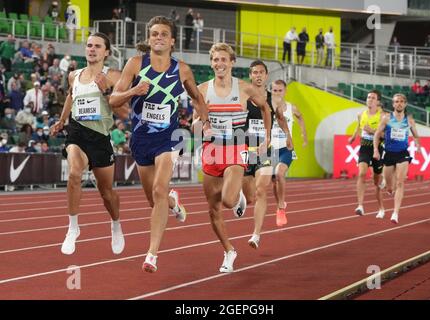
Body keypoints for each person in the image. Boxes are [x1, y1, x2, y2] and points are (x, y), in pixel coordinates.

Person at [109, 16, 210, 273]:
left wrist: (204, 119)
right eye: (154, 34)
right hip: (142, 138)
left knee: (158, 189)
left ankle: (152, 254)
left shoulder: (182, 69)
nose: (158, 37)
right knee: (156, 200)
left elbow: (198, 98)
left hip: (169, 136)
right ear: (149, 38)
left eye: (163, 34)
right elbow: (113, 100)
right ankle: (173, 202)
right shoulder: (135, 64)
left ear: (172, 40)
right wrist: (133, 92)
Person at [194, 43, 272, 272]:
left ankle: (237, 197)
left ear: (232, 62)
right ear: (211, 62)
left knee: (228, 200)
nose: (219, 64)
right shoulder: (201, 89)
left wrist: (266, 138)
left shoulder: (245, 88)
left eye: (223, 60)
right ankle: (229, 251)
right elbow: (193, 124)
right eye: (215, 60)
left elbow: (266, 109)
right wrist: (201, 125)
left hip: (237, 149)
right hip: (211, 151)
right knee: (213, 209)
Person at [50, 32, 129, 255]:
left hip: (101, 137)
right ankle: (73, 227)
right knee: (75, 173)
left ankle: (115, 225)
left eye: (97, 46)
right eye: (89, 45)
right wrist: (62, 119)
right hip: (77, 133)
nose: (91, 49)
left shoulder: (113, 75)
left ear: (106, 52)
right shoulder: (74, 75)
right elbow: (70, 96)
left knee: (107, 194)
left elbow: (124, 112)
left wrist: (106, 90)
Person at [242, 61, 291, 249]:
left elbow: (280, 118)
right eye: (255, 72)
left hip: (265, 149)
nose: (258, 75)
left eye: (261, 72)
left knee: (262, 189)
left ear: (266, 75)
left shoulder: (273, 99)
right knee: (250, 196)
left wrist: (287, 136)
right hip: (245, 148)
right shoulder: (242, 96)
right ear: (250, 75)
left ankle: (256, 234)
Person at [373, 93, 420, 224]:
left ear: (405, 104)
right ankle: (388, 187)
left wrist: (417, 144)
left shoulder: (409, 120)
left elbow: (416, 135)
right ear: (393, 104)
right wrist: (376, 150)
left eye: (401, 101)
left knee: (400, 182)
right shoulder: (386, 118)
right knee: (390, 187)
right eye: (396, 101)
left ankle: (395, 213)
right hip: (388, 153)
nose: (399, 103)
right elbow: (377, 134)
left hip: (402, 153)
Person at [270, 80, 307, 227]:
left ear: (285, 91)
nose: (278, 93)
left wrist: (303, 134)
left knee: (280, 173)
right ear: (271, 91)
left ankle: (281, 208)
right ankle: (279, 202)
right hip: (271, 148)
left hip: (287, 148)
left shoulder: (292, 108)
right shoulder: (268, 107)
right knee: (273, 180)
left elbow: (301, 117)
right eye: (275, 90)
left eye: (280, 90)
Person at [348, 90, 385, 218]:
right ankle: (360, 206)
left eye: (373, 98)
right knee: (362, 173)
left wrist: (372, 131)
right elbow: (359, 126)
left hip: (377, 149)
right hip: (364, 147)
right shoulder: (361, 114)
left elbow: (384, 135)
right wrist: (353, 137)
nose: (369, 99)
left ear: (378, 101)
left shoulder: (382, 116)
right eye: (368, 97)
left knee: (377, 182)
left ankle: (381, 208)